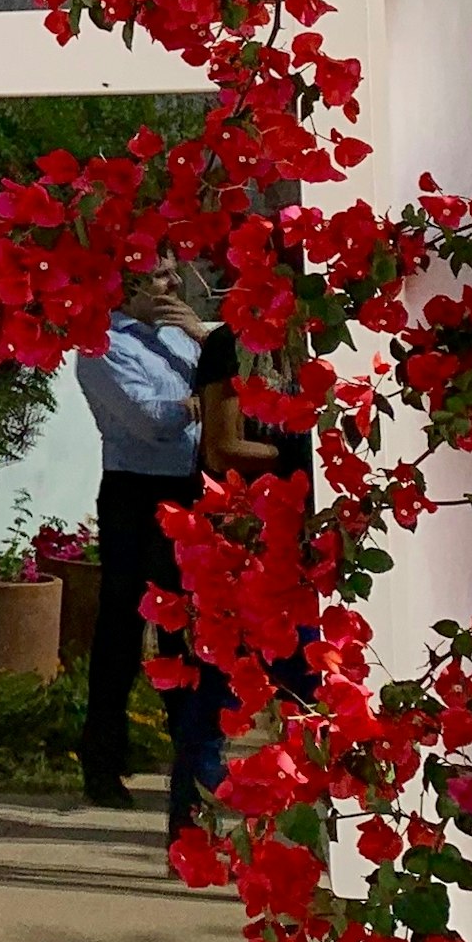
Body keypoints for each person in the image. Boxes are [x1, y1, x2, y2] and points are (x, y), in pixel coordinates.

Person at [164, 319, 313, 852]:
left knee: (311, 689)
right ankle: (195, 837)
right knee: (217, 693)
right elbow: (222, 447)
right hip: (247, 543)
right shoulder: (234, 343)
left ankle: (305, 842)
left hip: (311, 544)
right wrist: (302, 461)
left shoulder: (330, 335)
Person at [72, 273, 205, 810]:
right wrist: (205, 401)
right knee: (123, 629)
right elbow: (152, 420)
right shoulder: (101, 346)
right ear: (124, 287)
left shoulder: (180, 336)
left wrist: (203, 340)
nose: (172, 283)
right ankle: (103, 761)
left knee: (188, 629)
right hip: (137, 493)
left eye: (174, 272)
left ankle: (192, 764)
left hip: (190, 486)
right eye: (159, 275)